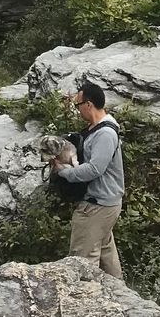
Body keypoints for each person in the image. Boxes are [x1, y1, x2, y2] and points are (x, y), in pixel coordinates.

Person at [53, 80, 125, 278]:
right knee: (105, 253)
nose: (77, 110)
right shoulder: (99, 128)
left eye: (78, 105)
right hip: (105, 203)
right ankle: (119, 292)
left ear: (88, 104)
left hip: (97, 205)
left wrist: (63, 172)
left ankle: (87, 295)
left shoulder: (105, 134)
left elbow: (95, 169)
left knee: (82, 261)